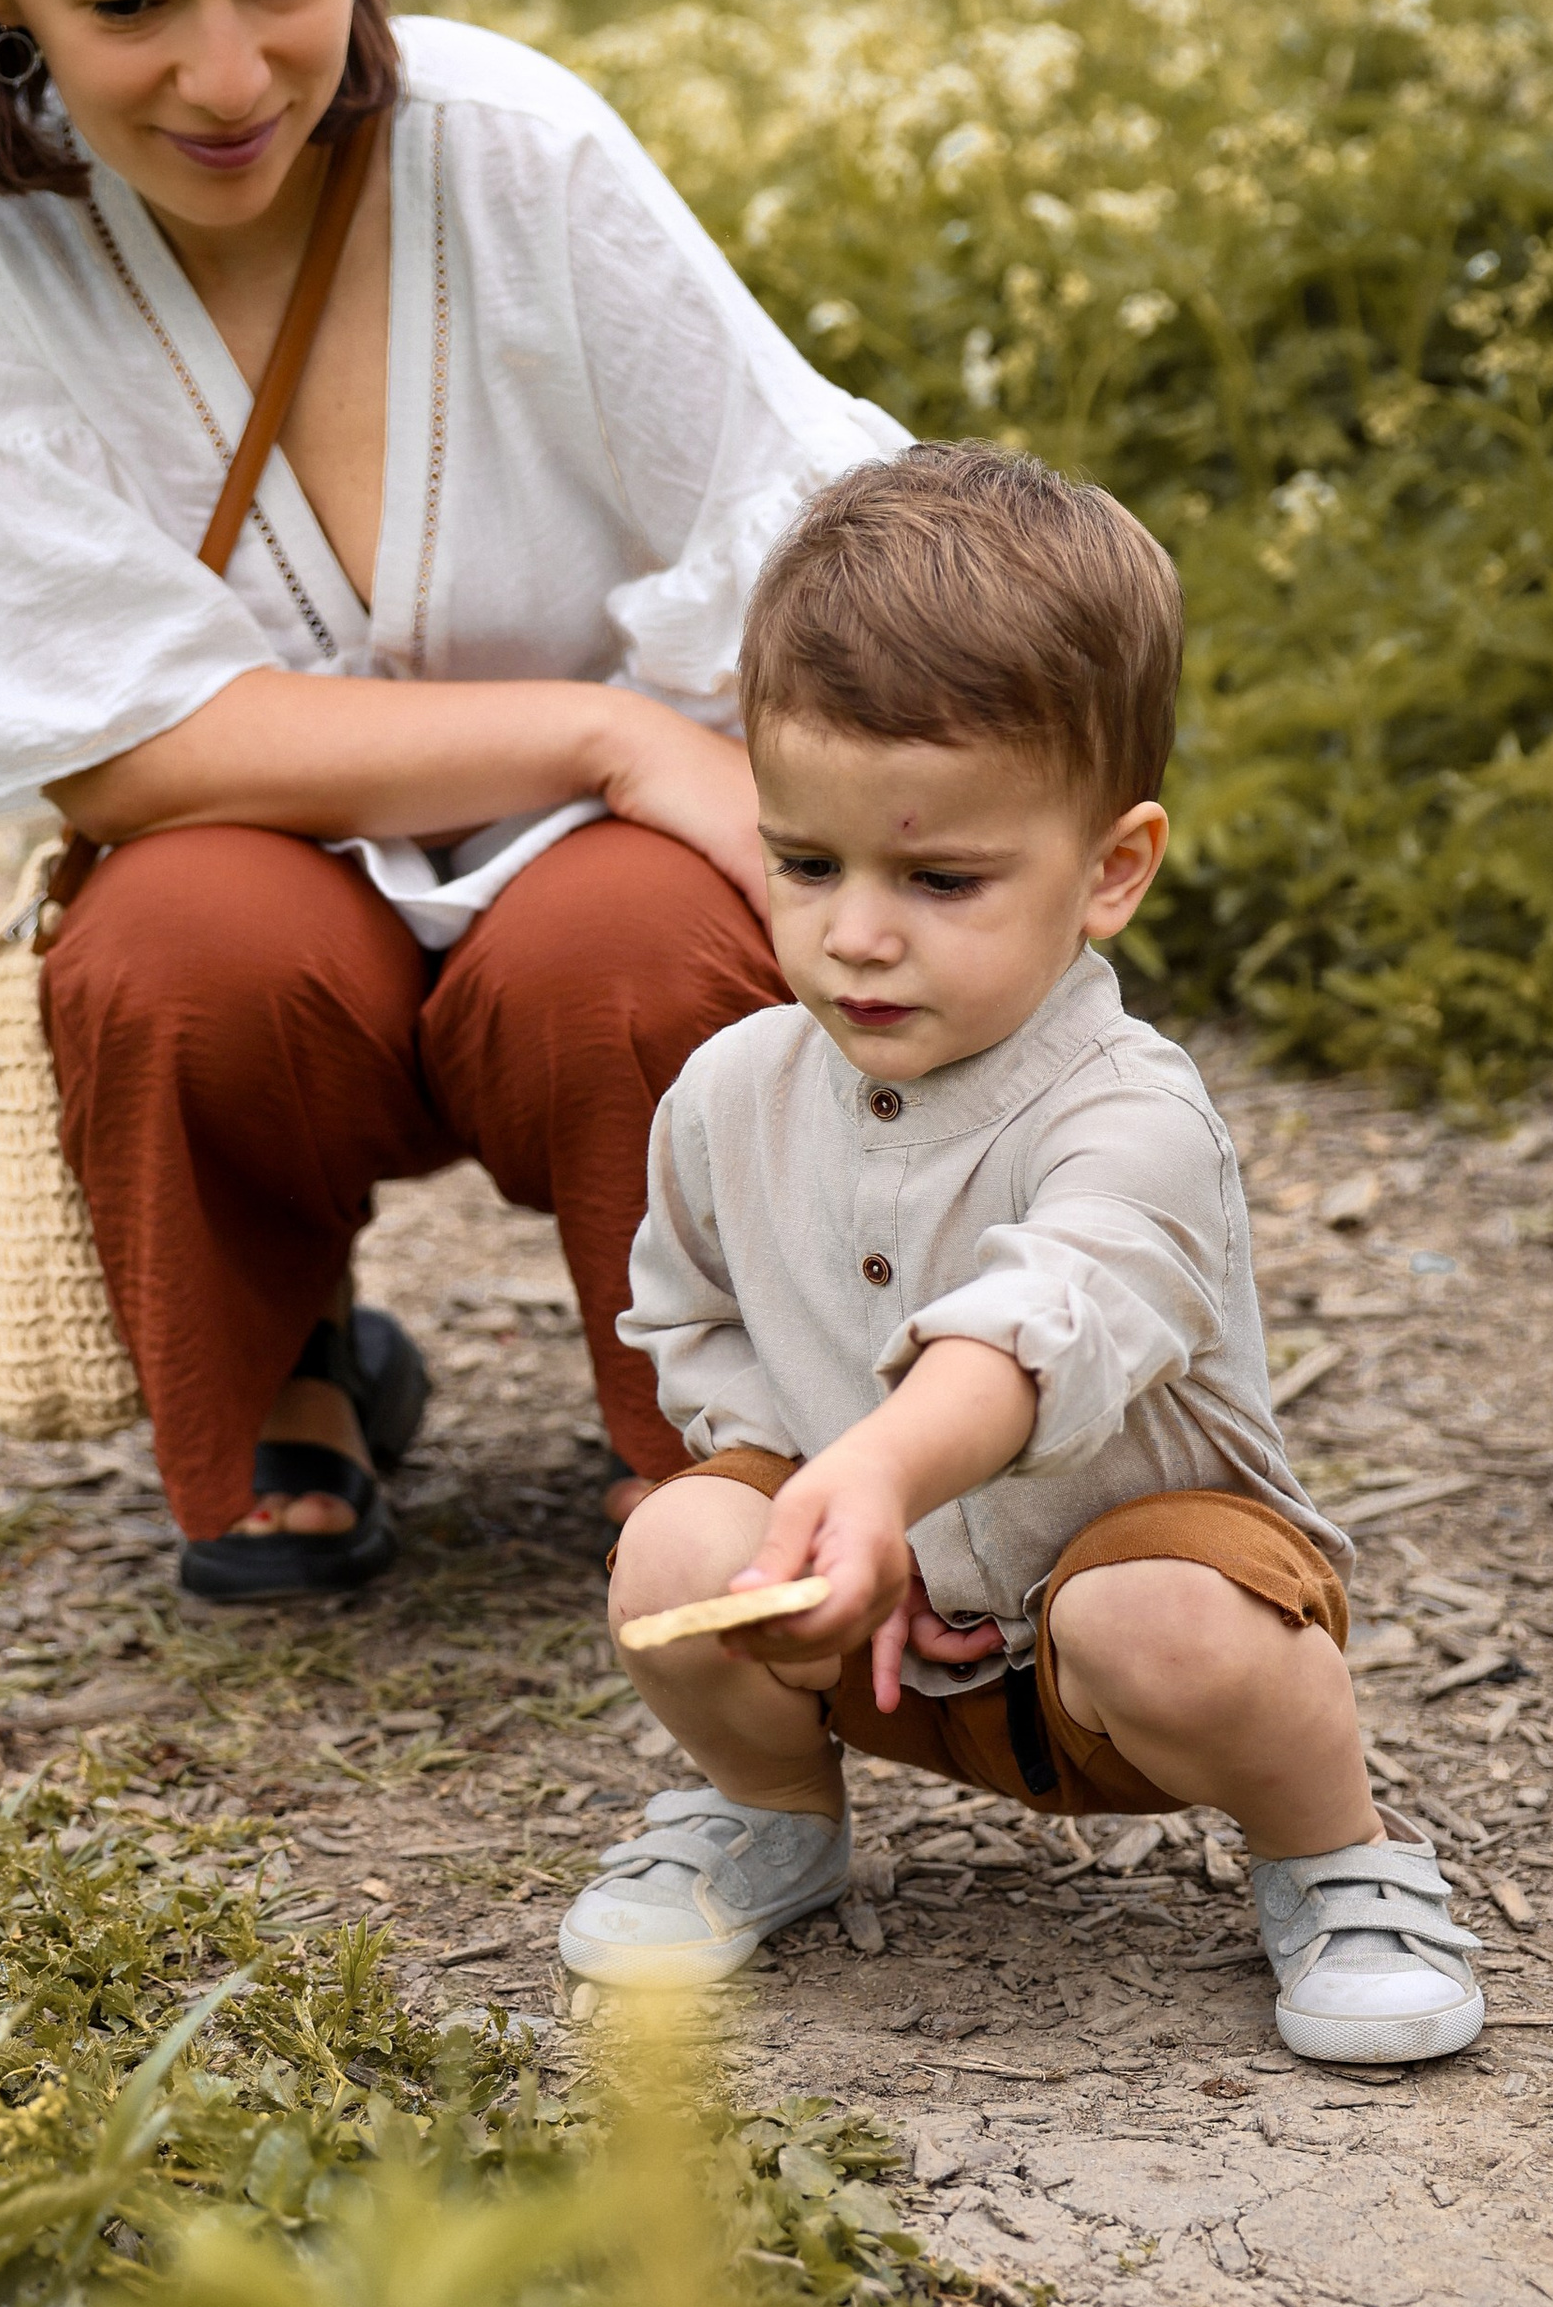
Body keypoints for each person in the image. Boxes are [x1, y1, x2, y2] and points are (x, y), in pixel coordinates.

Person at [0, 0, 905, 1597]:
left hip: (591, 907)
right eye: (126, 2)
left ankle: (711, 1418)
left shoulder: (517, 150)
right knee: (166, 945)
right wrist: (595, 721)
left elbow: (816, 552)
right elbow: (108, 750)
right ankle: (283, 1377)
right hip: (275, 907)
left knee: (636, 943)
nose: (227, 78)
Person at [565, 444, 1483, 2069]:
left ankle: (1336, 1855)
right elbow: (688, 1315)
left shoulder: (1130, 1113)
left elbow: (1050, 1317)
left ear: (1111, 869)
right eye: (807, 861)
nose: (856, 931)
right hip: (877, 1626)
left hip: (1116, 1614)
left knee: (1171, 1628)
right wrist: (788, 1493)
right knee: (672, 1553)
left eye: (940, 878)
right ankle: (772, 1817)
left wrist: (884, 1469)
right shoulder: (730, 1095)